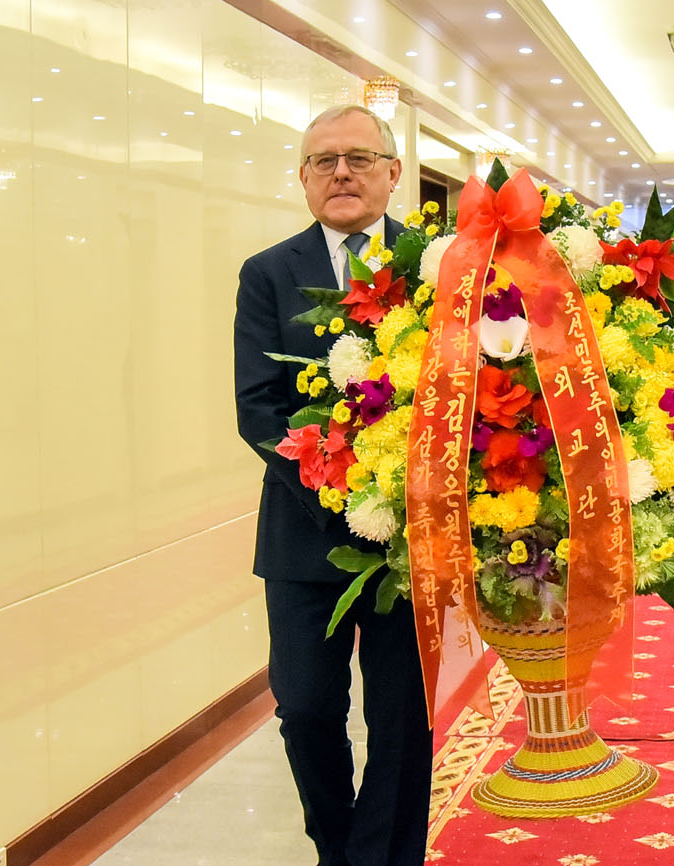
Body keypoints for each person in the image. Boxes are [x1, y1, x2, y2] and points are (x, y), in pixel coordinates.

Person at [234, 105, 431, 866]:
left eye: (358, 158)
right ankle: (340, 847)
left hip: (414, 542)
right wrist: (346, 497)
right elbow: (258, 410)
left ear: (393, 173)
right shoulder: (269, 273)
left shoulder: (433, 267)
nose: (340, 173)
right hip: (303, 535)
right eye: (323, 162)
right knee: (308, 710)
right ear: (304, 180)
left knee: (402, 721)